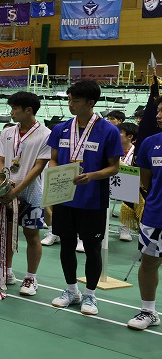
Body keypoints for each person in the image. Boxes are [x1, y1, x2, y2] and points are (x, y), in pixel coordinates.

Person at [47, 80, 122, 315]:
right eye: (69, 99)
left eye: (75, 100)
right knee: (66, 245)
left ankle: (90, 294)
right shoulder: (61, 129)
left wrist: (91, 176)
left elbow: (114, 167)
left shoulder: (108, 131)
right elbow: (53, 159)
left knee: (92, 248)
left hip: (93, 200)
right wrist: (55, 174)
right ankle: (71, 290)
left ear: (90, 103)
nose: (70, 104)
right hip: (64, 199)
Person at [0, 91, 51, 295]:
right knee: (6, 233)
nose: (12, 112)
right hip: (6, 192)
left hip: (30, 193)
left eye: (15, 108)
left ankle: (31, 278)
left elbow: (39, 166)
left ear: (28, 110)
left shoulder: (45, 134)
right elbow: (0, 160)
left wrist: (17, 190)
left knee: (32, 235)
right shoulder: (7, 132)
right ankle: (6, 271)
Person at [129, 101, 162, 330]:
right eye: (158, 111)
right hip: (155, 214)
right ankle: (148, 311)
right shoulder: (150, 143)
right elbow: (146, 180)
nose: (158, 115)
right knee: (149, 263)